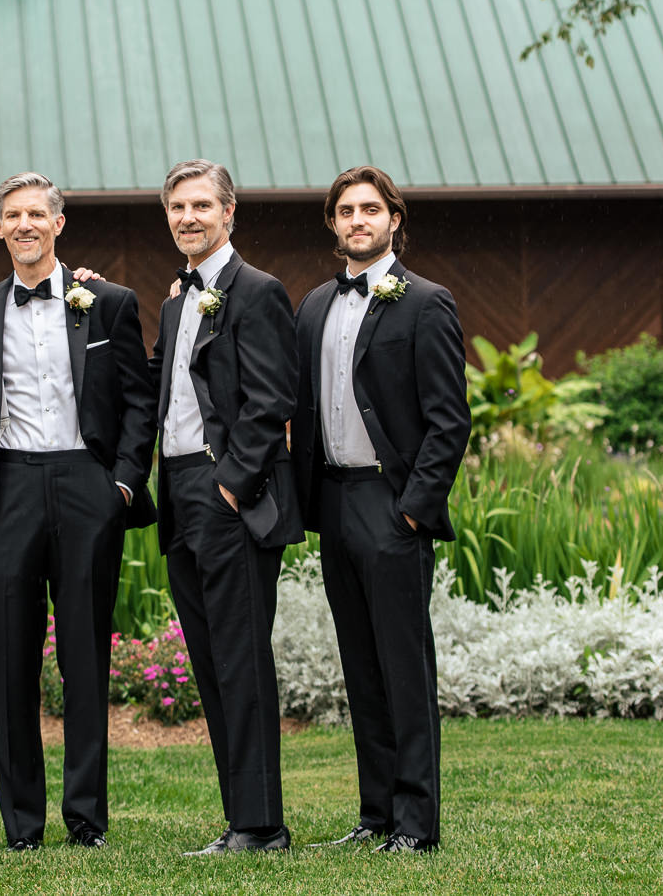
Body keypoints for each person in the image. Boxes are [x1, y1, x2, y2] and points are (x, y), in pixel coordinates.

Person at [0, 173, 157, 851]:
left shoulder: (107, 303)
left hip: (84, 485)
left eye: (36, 214)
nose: (25, 225)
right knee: (12, 663)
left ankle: (86, 818)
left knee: (84, 657)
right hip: (8, 486)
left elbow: (139, 399)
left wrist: (124, 484)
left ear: (58, 223)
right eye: (12, 215)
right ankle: (21, 823)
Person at [292, 165, 471, 855]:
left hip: (389, 504)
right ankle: (374, 815)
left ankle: (416, 825)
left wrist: (413, 511)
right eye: (345, 210)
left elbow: (448, 421)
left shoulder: (427, 302)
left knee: (404, 667)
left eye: (370, 209)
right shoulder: (313, 306)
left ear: (395, 219)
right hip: (332, 502)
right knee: (360, 668)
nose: (357, 220)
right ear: (333, 224)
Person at [149, 159, 304, 856]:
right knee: (211, 664)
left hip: (229, 498)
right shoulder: (176, 302)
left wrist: (230, 484)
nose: (189, 217)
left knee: (241, 661)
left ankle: (263, 825)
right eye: (178, 207)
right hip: (179, 496)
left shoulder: (258, 292)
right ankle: (240, 818)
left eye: (201, 205)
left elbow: (273, 400)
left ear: (229, 212)